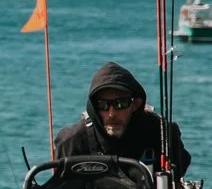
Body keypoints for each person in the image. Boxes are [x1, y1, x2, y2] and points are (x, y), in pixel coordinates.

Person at [52, 63, 191, 178]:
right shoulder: (72, 141)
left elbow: (180, 169)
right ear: (93, 108)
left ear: (135, 104)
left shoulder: (163, 134)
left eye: (120, 104)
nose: (112, 114)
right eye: (103, 105)